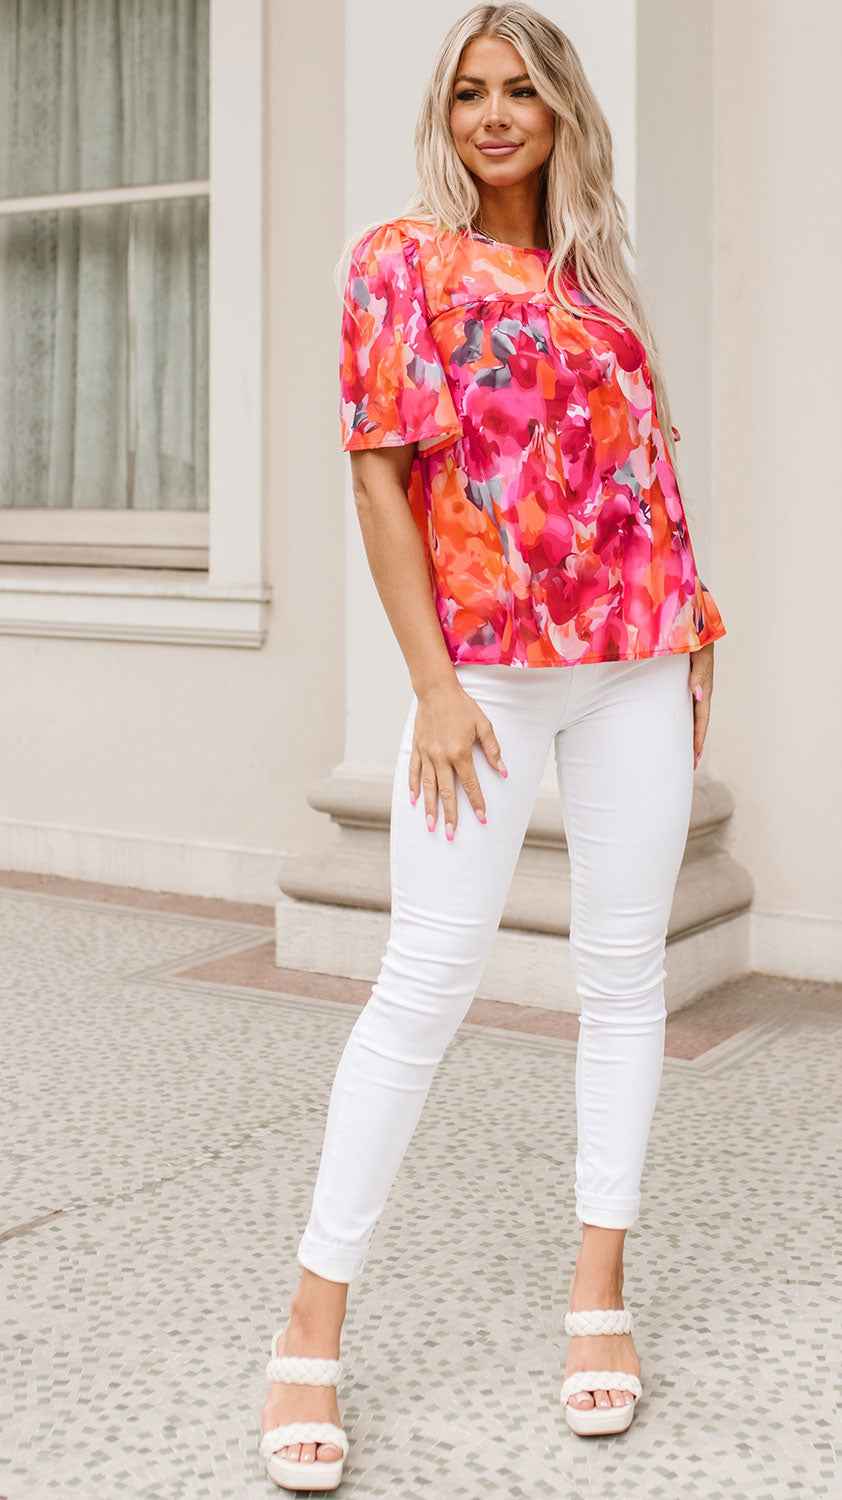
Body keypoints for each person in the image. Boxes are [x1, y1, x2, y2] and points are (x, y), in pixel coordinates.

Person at [259, 2, 726, 1489]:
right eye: (471, 90)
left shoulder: (594, 281)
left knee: (620, 974)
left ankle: (598, 1299)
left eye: (522, 87)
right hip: (492, 685)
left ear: (562, 109)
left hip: (638, 667)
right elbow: (379, 488)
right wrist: (434, 686)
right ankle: (311, 1324)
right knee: (424, 981)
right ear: (446, 114)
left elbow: (641, 472)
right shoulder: (398, 259)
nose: (496, 111)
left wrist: (695, 624)